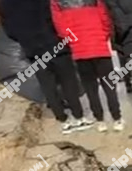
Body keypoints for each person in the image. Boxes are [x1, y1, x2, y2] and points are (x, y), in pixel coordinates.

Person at [0, 0, 92, 134]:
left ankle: (64, 121)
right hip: (55, 44)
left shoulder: (5, 5)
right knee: (68, 81)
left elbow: (9, 31)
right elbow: (56, 15)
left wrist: (26, 39)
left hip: (33, 50)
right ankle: (79, 117)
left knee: (48, 86)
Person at [50, 0, 124, 132]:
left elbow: (60, 28)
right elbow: (106, 20)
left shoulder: (57, 3)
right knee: (109, 86)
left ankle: (100, 121)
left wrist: (73, 41)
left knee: (91, 89)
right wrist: (102, 37)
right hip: (100, 49)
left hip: (80, 53)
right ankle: (117, 118)